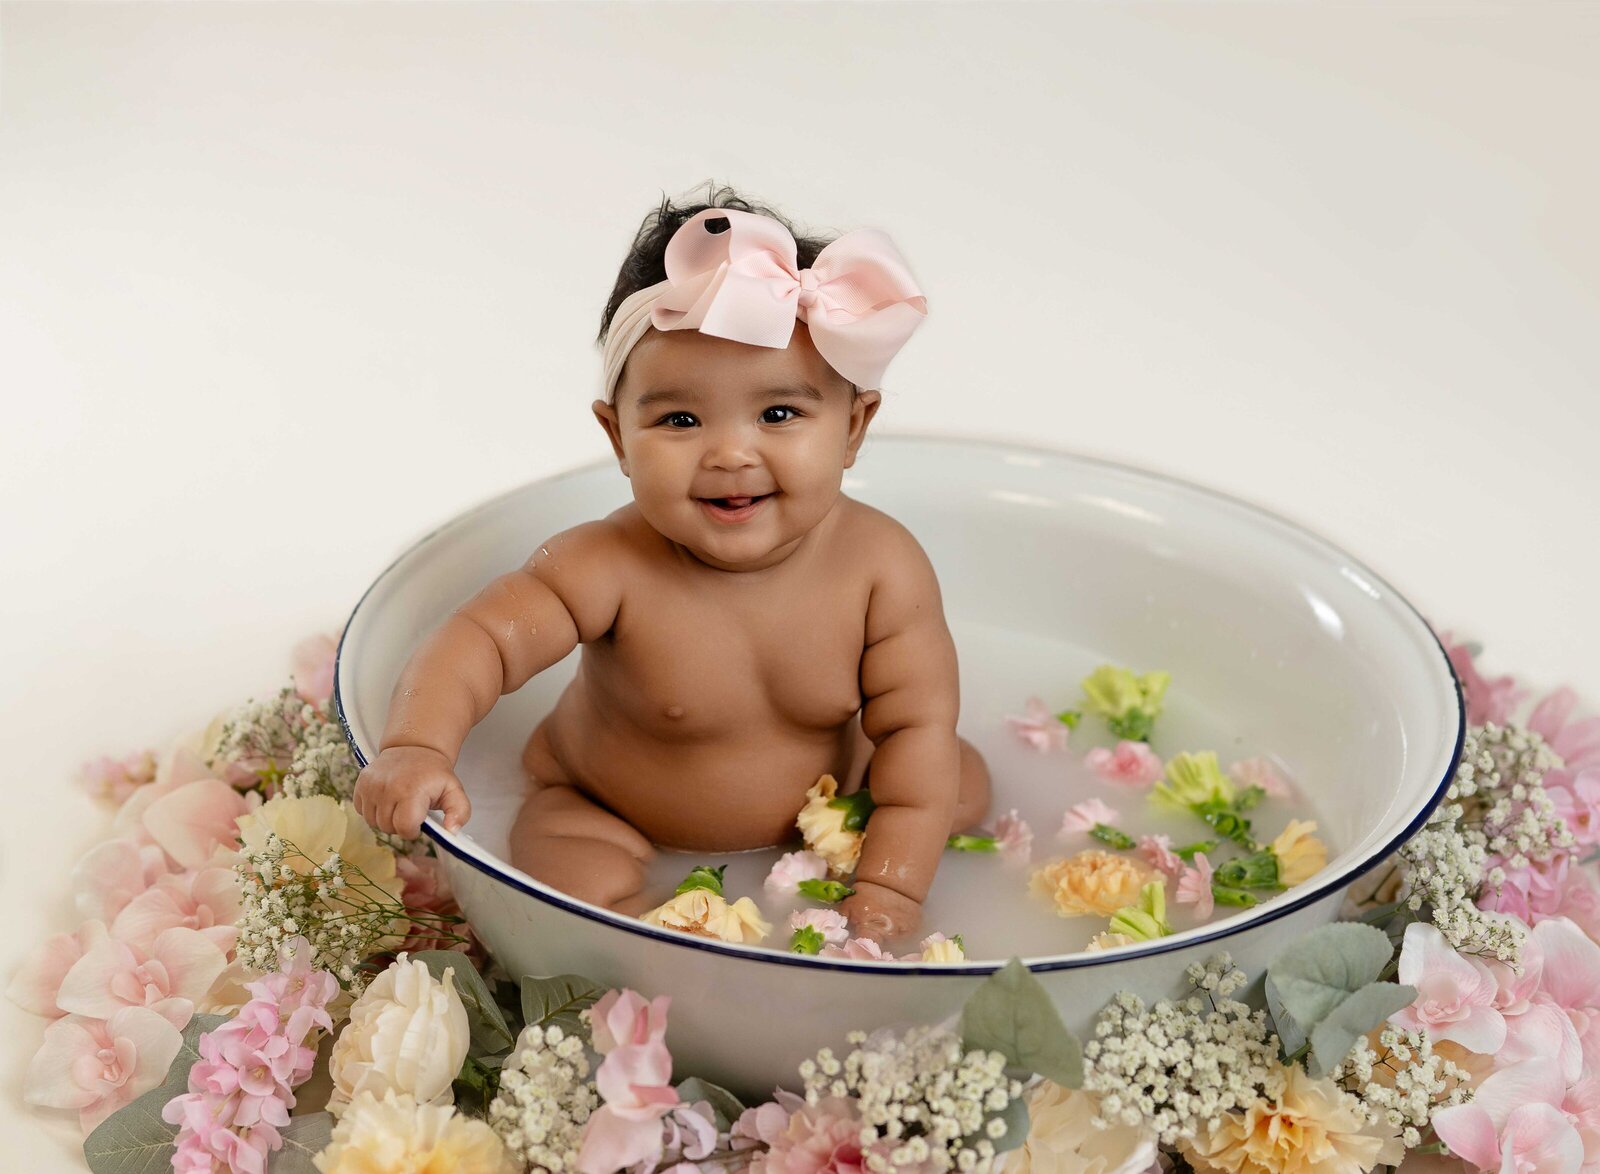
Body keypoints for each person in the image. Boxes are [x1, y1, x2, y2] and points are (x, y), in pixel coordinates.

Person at [353, 185, 990, 941]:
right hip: (606, 806)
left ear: (854, 427)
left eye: (779, 413)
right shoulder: (606, 566)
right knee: (571, 873)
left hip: (831, 798)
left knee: (956, 778)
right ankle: (654, 952)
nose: (730, 453)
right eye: (680, 419)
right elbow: (481, 640)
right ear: (618, 436)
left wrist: (890, 890)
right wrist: (416, 746)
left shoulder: (883, 570)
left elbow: (914, 729)